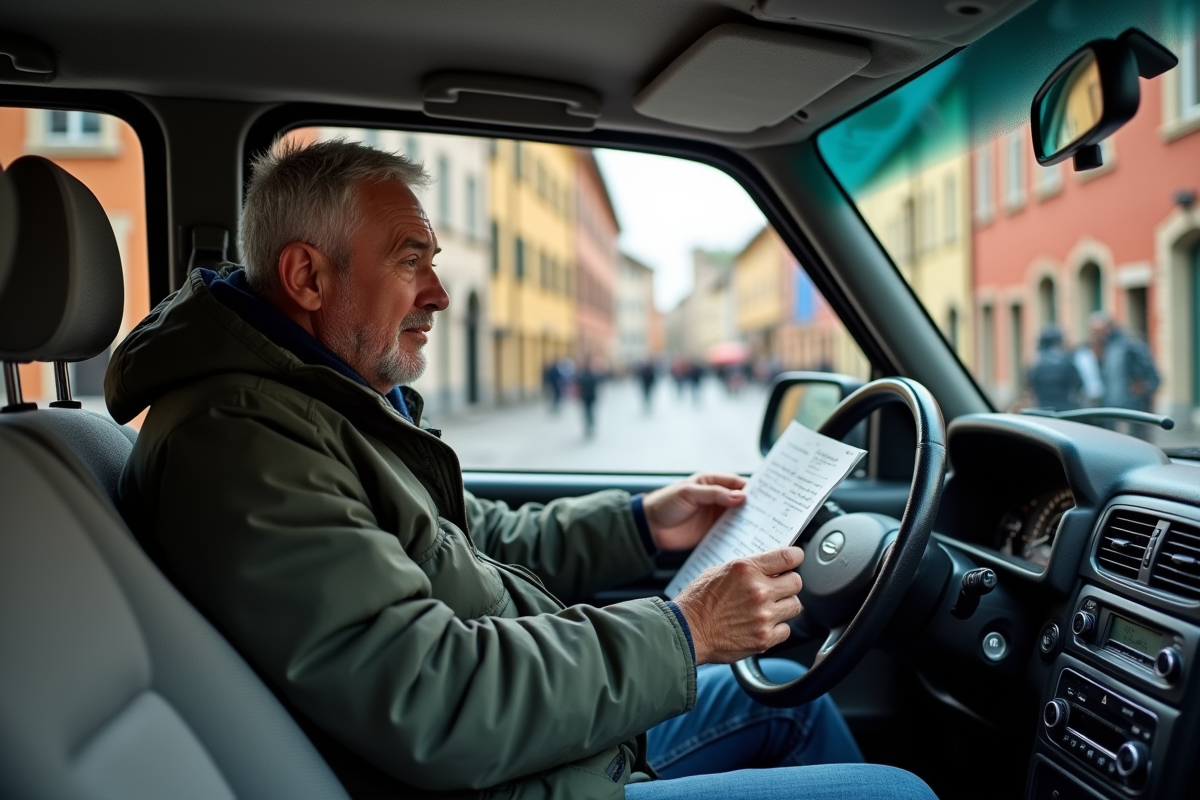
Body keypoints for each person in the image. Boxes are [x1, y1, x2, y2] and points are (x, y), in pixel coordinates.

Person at [107, 140, 937, 800]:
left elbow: (472, 539)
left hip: (524, 756)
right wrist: (686, 631)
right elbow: (432, 698)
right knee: (895, 791)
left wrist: (643, 521)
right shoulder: (245, 440)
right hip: (490, 775)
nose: (438, 293)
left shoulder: (318, 403)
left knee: (790, 694)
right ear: (308, 276)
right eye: (408, 260)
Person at [1027, 325, 1082, 411]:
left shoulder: (1036, 362)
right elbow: (1078, 384)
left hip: (1043, 408)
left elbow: (1030, 387)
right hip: (1065, 408)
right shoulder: (1066, 360)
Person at [577, 355, 600, 438]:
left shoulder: (582, 375)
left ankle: (589, 425)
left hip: (585, 396)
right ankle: (590, 424)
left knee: (587, 411)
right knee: (590, 411)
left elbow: (579, 385)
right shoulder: (593, 375)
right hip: (590, 396)